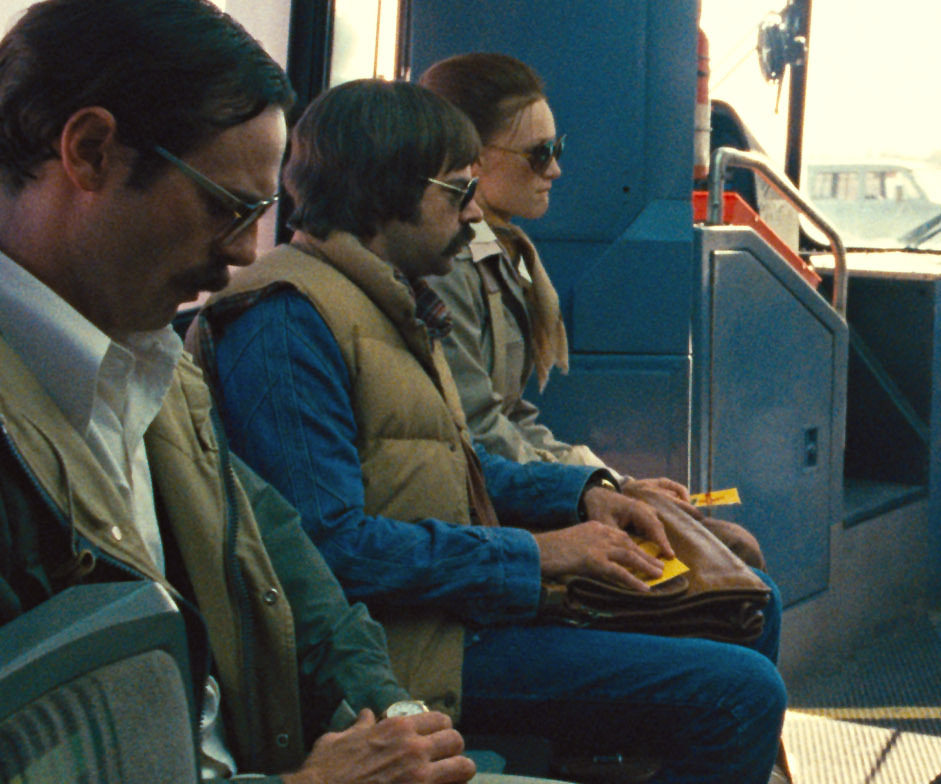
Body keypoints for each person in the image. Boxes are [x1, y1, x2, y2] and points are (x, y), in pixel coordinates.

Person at [195, 79, 786, 784]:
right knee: (740, 695)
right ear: (386, 191)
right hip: (409, 646)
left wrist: (584, 495)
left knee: (749, 604)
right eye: (459, 192)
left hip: (452, 609)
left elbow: (453, 462)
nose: (475, 213)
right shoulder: (286, 323)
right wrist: (537, 555)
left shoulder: (380, 301)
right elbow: (328, 548)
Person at [0, 0, 477, 781]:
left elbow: (297, 582)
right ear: (89, 152)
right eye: (226, 208)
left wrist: (394, 718)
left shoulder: (156, 375)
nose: (247, 252)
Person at [415, 52, 765, 568]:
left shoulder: (500, 253)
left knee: (730, 548)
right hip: (485, 515)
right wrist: (599, 488)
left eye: (556, 149)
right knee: (731, 553)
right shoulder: (448, 269)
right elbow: (480, 434)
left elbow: (510, 415)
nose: (555, 169)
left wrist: (612, 482)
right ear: (475, 159)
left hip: (511, 489)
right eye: (539, 154)